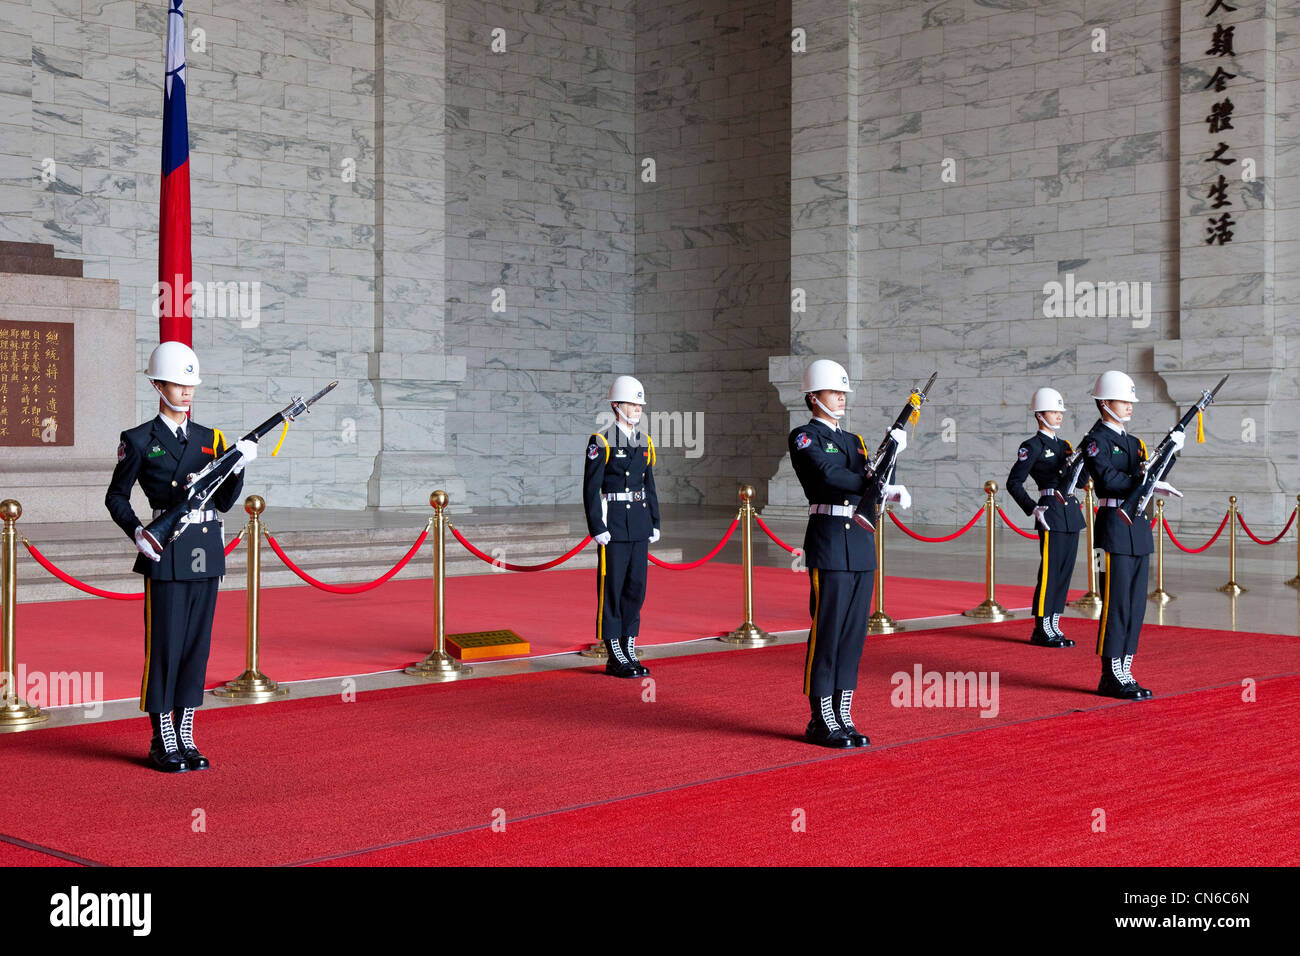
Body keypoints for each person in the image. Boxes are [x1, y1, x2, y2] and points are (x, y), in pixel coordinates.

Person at [105, 342, 257, 772]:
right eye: (177, 382)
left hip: (205, 552)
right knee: (166, 647)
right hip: (166, 551)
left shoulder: (212, 440)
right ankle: (162, 737)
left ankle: (186, 733)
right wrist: (136, 529)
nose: (187, 391)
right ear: (157, 384)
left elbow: (225, 502)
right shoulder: (137, 440)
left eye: (191, 384)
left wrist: (239, 465)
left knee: (196, 648)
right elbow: (115, 495)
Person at [789, 359, 909, 748]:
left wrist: (893, 459)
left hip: (859, 540)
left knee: (854, 634)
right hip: (827, 540)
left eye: (843, 392)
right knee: (828, 631)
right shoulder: (804, 437)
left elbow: (874, 479)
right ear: (813, 397)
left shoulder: (854, 441)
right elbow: (829, 476)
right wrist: (872, 482)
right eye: (833, 391)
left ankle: (843, 712)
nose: (841, 397)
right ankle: (820, 716)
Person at [1083, 370, 1182, 700]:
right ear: (1105, 403)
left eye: (1130, 401)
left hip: (1137, 526)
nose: (1129, 406)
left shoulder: (1134, 442)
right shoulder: (1095, 442)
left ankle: (1126, 667)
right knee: (1116, 602)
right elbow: (1110, 480)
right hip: (1112, 524)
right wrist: (1143, 481)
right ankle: (1110, 673)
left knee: (1136, 604)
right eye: (1123, 401)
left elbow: (1151, 476)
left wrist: (1171, 452)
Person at [582, 375, 660, 679]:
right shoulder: (601, 441)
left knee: (635, 588)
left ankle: (629, 645)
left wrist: (655, 520)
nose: (637, 408)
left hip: (639, 523)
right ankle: (614, 650)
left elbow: (649, 485)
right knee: (612, 588)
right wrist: (597, 525)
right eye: (631, 403)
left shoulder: (644, 442)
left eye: (639, 403)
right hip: (614, 524)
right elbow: (591, 488)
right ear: (616, 406)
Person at [1006, 387, 1086, 648]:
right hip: (1050, 510)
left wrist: (1084, 460)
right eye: (1054, 411)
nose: (1059, 415)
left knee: (1064, 571)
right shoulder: (1032, 446)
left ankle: (1054, 623)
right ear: (1040, 415)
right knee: (1050, 571)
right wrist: (1032, 508)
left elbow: (1082, 481)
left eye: (1060, 411)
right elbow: (1014, 482)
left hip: (1070, 512)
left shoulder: (1065, 446)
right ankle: (1042, 626)